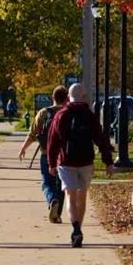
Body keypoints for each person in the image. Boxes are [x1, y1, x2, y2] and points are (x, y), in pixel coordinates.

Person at [47, 83, 114, 248]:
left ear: (69, 97)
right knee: (82, 196)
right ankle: (79, 228)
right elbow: (101, 139)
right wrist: (108, 161)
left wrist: (51, 163)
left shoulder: (61, 115)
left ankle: (75, 228)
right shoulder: (90, 116)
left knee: (70, 196)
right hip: (86, 162)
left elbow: (52, 141)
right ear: (84, 97)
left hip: (66, 161)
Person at [18, 85, 68, 223]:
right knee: (61, 184)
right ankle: (57, 214)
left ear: (53, 98)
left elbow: (33, 134)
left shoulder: (43, 113)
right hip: (64, 155)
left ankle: (52, 200)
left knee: (47, 183)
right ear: (66, 98)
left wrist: (24, 148)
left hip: (46, 153)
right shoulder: (68, 113)